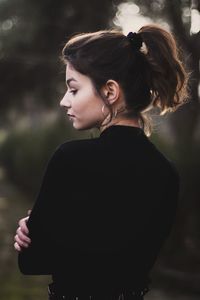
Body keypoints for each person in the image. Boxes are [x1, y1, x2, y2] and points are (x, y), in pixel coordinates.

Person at [14, 24, 189, 300]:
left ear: (110, 91)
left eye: (73, 89)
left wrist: (35, 231)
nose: (63, 101)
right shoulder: (167, 173)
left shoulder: (71, 158)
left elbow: (32, 261)